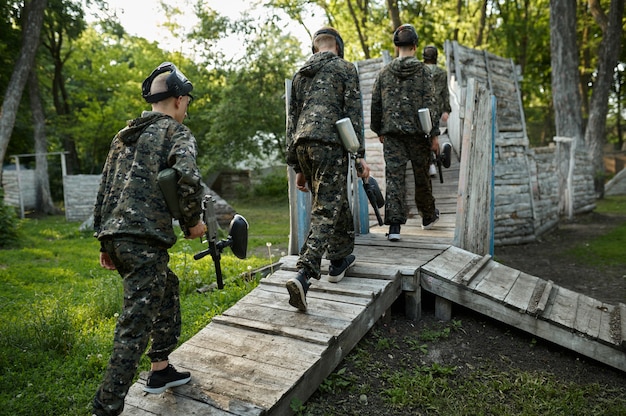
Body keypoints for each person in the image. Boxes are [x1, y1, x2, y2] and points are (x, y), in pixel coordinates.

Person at [92, 62, 206, 416]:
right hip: (143, 240)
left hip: (117, 236)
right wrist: (193, 222)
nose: (186, 108)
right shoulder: (175, 132)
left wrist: (104, 241)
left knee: (166, 286)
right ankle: (105, 406)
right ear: (177, 99)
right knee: (134, 326)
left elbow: (106, 188)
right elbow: (187, 178)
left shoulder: (124, 134)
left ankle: (160, 369)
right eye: (186, 102)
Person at [285, 27, 370, 311]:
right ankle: (304, 273)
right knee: (325, 207)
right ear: (338, 46)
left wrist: (297, 165)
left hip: (303, 144)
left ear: (315, 48)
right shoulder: (345, 69)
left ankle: (339, 260)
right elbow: (353, 115)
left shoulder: (300, 75)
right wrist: (359, 156)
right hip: (330, 143)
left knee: (332, 200)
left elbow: (291, 121)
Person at [370, 24, 440, 242]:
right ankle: (428, 216)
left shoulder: (383, 73)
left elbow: (376, 104)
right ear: (415, 47)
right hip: (419, 135)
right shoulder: (424, 72)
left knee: (394, 178)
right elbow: (431, 105)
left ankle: (394, 227)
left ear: (396, 46)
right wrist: (434, 135)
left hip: (392, 135)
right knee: (422, 177)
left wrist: (379, 129)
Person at [423, 45, 452, 176]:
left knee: (423, 135)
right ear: (436, 57)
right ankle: (433, 162)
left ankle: (427, 163)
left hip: (421, 109)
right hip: (436, 108)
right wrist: (447, 110)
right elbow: (445, 93)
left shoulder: (419, 71)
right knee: (433, 135)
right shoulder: (442, 73)